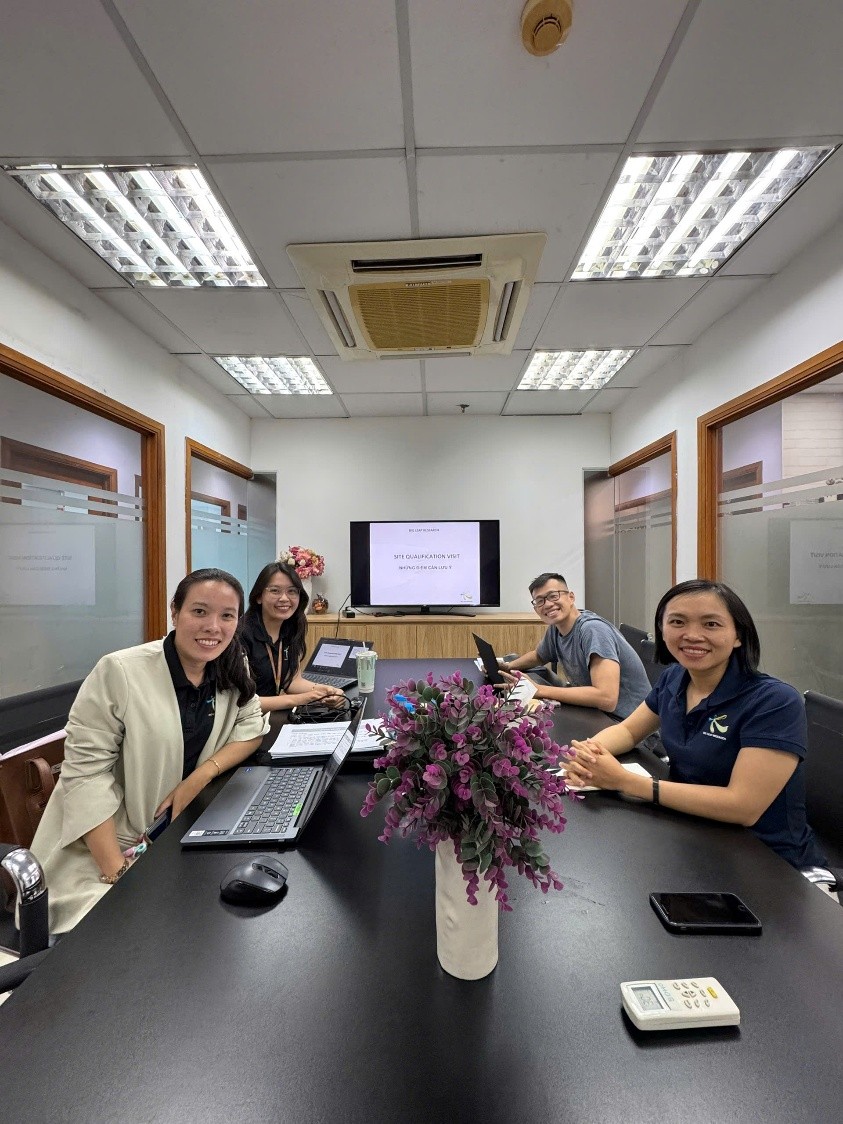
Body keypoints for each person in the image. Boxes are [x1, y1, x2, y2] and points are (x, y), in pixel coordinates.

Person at [29, 568, 270, 933]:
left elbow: (251, 729)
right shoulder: (120, 671)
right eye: (200, 611)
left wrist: (198, 777)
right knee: (140, 934)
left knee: (222, 923)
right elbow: (86, 777)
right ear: (175, 611)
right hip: (105, 849)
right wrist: (117, 874)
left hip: (174, 833)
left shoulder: (231, 665)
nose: (213, 627)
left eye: (227, 616)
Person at [565, 579, 828, 872]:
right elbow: (628, 730)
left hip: (768, 861)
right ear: (662, 629)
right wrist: (588, 754)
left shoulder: (774, 701)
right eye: (677, 622)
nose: (692, 635)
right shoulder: (674, 677)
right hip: (691, 833)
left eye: (711, 624)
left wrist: (623, 781)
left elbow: (742, 807)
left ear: (738, 635)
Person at [500, 572, 651, 718]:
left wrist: (538, 690)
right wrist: (508, 666)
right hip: (597, 713)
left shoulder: (593, 630)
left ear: (571, 597)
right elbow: (539, 655)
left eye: (553, 596)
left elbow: (607, 698)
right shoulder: (556, 628)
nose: (547, 604)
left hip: (628, 723)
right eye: (540, 601)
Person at [240, 562, 345, 712]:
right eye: (275, 591)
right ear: (259, 596)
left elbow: (292, 682)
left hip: (271, 715)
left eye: (292, 591)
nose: (284, 598)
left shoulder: (292, 627)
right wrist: (304, 698)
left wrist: (327, 691)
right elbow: (242, 702)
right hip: (245, 719)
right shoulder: (241, 634)